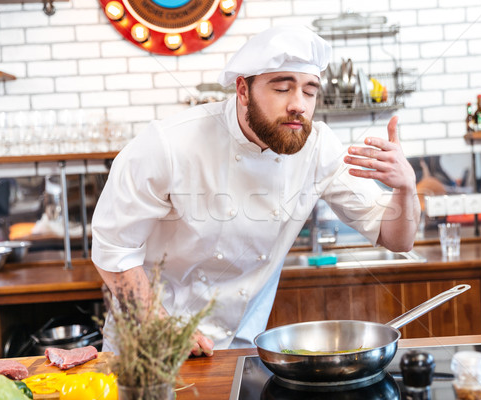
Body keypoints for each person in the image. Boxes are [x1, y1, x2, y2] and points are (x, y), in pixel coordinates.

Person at [91, 25, 420, 357]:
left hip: (237, 351)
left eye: (309, 91)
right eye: (281, 88)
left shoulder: (319, 146)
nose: (299, 105)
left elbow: (397, 238)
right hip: (147, 350)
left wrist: (406, 188)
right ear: (243, 90)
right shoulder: (169, 143)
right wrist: (160, 326)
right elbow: (113, 247)